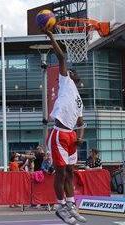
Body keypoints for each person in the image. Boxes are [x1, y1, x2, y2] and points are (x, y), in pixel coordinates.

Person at [44, 28, 87, 224]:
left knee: (70, 172)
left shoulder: (79, 100)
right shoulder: (65, 81)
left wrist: (80, 136)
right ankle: (60, 206)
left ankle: (71, 205)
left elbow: (81, 122)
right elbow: (61, 56)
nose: (71, 71)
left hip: (71, 136)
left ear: (80, 81)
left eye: (74, 72)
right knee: (60, 172)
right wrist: (51, 35)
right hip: (59, 133)